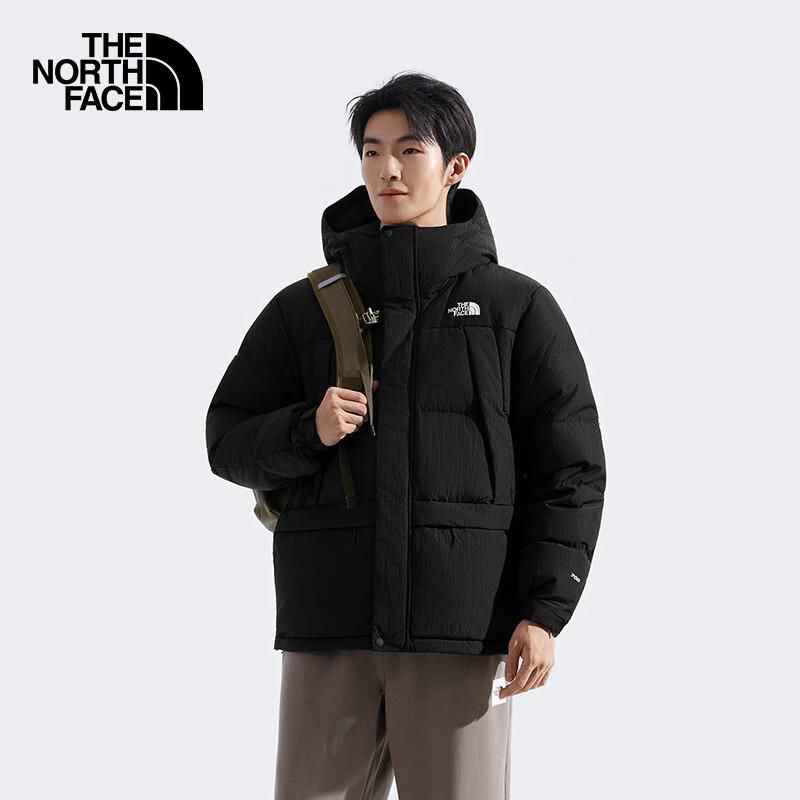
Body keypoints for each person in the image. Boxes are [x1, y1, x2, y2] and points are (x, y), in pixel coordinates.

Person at [205, 71, 606, 799]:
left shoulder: (516, 308)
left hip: (461, 628)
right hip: (329, 624)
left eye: (409, 149)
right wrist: (307, 429)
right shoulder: (306, 308)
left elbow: (570, 471)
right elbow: (226, 441)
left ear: (456, 166)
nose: (386, 168)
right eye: (371, 151)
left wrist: (544, 612)